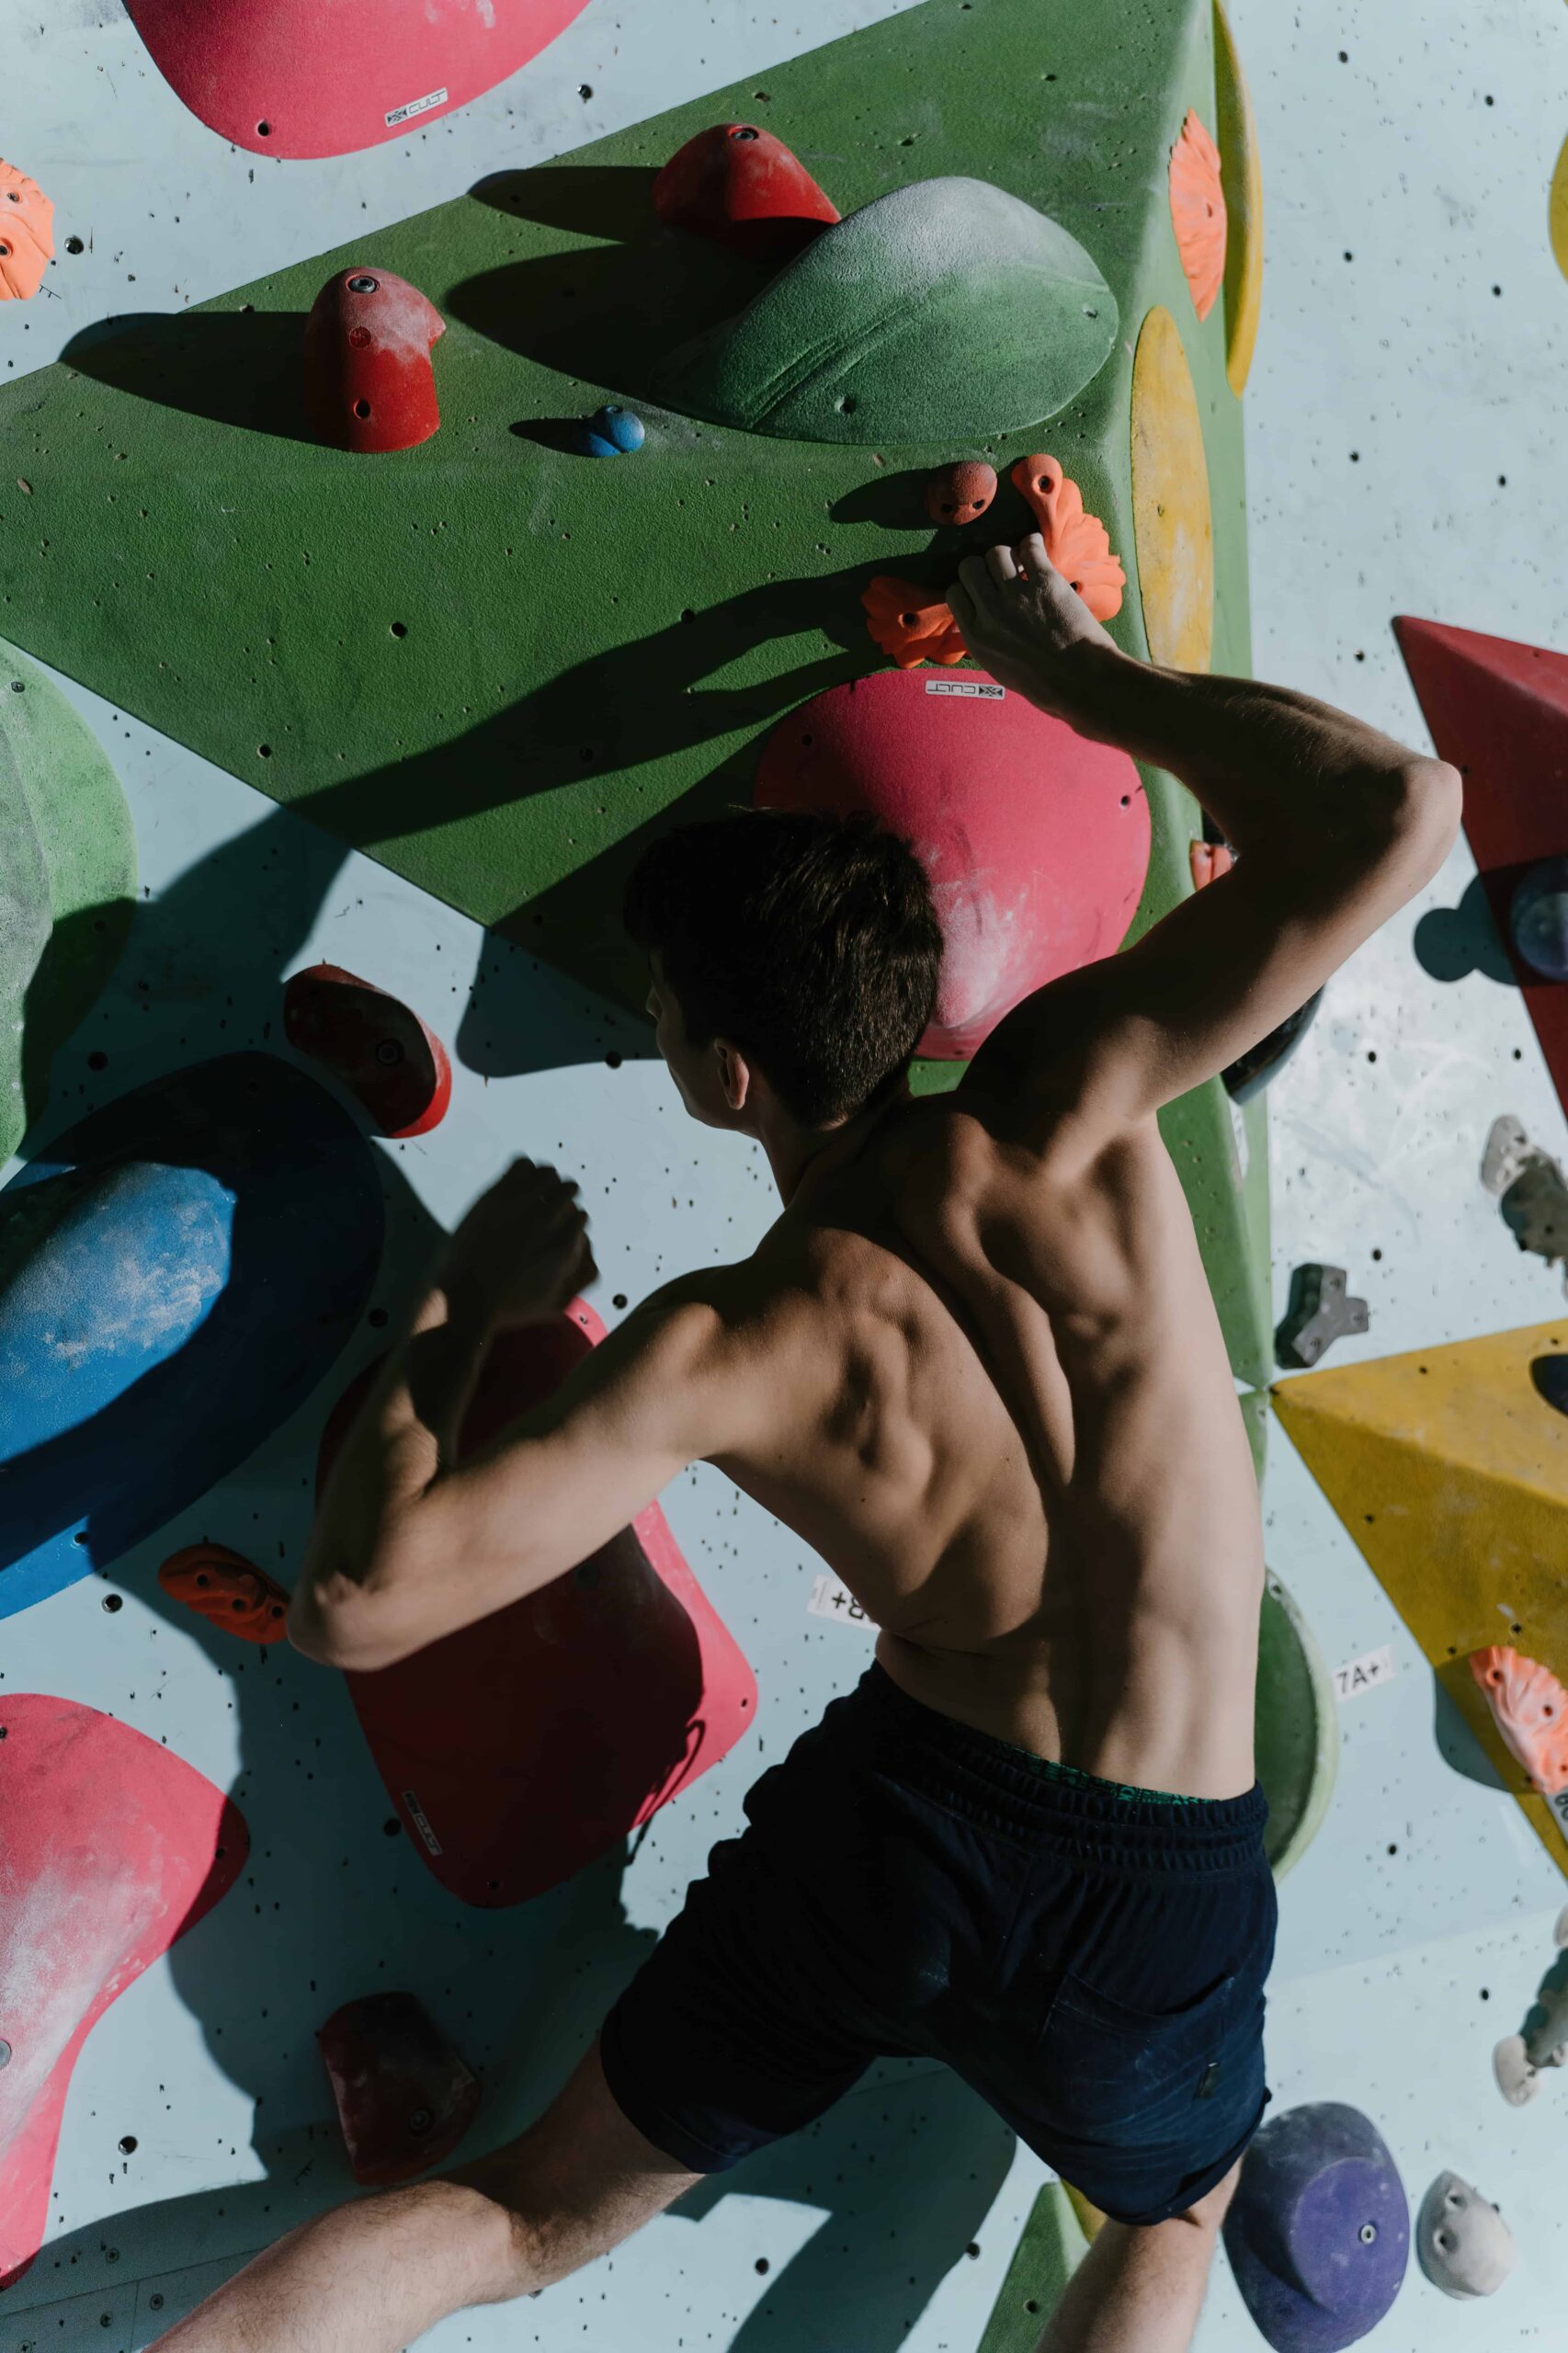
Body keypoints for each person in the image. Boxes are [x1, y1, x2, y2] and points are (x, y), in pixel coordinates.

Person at [152, 535, 1460, 2353]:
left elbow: (362, 1601)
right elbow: (1401, 806)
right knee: (1172, 2205)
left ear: (725, 1074)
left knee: (526, 2213)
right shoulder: (1075, 1085)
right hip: (1162, 1861)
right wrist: (1063, 663)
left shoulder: (733, 1335)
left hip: (912, 1832)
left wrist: (460, 1304)